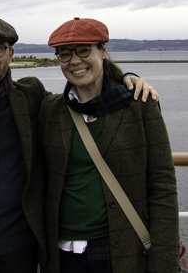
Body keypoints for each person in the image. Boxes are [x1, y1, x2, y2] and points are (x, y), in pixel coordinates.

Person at [0, 15, 157, 273]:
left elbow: (83, 98)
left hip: (17, 247)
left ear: (10, 54)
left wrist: (127, 80)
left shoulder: (30, 96)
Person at [37, 17, 179, 272]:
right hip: (62, 255)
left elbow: (163, 187)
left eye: (84, 50)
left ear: (103, 51)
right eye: (65, 54)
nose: (75, 61)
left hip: (121, 251)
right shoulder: (51, 110)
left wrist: (163, 263)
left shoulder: (139, 104)